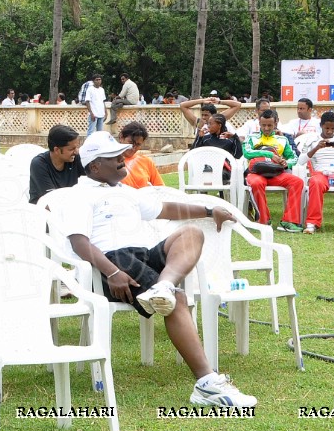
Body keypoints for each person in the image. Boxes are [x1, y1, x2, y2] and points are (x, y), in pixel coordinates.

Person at [64, 131, 255, 408]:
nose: (122, 161)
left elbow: (165, 208)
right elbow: (79, 242)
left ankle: (164, 284)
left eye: (122, 156)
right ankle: (206, 383)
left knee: (190, 234)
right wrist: (112, 272)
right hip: (114, 263)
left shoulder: (126, 191)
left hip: (141, 255)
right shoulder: (79, 195)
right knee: (176, 301)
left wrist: (208, 210)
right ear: (95, 166)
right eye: (115, 158)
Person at [242, 109, 305, 232]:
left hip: (276, 174)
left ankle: (288, 221)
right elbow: (247, 153)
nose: (266, 128)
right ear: (259, 124)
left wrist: (286, 163)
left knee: (297, 182)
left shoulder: (282, 139)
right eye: (263, 125)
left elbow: (294, 157)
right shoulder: (251, 137)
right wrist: (270, 154)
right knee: (256, 183)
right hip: (256, 173)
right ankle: (263, 221)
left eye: (269, 125)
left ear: (276, 123)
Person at [299, 112, 334, 234]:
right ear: (321, 126)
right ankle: (312, 223)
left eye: (332, 128)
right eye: (327, 128)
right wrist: (316, 148)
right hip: (320, 172)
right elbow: (300, 161)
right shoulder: (312, 140)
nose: (329, 131)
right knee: (315, 182)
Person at [28, 125, 84, 202]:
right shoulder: (39, 164)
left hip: (69, 206)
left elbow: (93, 178)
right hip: (43, 210)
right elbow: (51, 200)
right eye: (71, 149)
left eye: (77, 147)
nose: (76, 151)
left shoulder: (75, 158)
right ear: (57, 150)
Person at [190, 113, 242, 184]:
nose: (208, 126)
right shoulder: (205, 139)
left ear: (219, 125)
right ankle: (203, 192)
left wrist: (235, 137)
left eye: (211, 124)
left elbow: (238, 155)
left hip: (224, 172)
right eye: (208, 124)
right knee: (203, 173)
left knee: (221, 174)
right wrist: (199, 137)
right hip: (206, 169)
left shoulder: (230, 140)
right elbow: (193, 153)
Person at [118, 121, 164, 189]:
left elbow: (160, 188)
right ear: (121, 137)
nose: (133, 148)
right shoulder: (110, 161)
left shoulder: (146, 162)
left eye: (138, 144)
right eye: (130, 143)